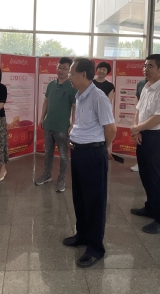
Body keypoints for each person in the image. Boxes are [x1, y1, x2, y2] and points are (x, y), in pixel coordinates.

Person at [62, 57, 116, 268]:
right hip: (79, 152)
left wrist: (101, 148)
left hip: (93, 154)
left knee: (94, 202)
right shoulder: (80, 95)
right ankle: (82, 235)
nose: (69, 76)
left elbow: (110, 129)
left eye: (71, 73)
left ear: (83, 74)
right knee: (80, 198)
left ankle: (95, 248)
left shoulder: (98, 97)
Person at [129, 54, 160, 234]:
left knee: (157, 177)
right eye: (145, 65)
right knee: (146, 174)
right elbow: (138, 110)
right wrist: (137, 130)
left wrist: (137, 128)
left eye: (150, 66)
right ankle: (150, 207)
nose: (145, 69)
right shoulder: (146, 87)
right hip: (144, 135)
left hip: (158, 137)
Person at [35, 57, 77, 192]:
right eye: (59, 67)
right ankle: (47, 175)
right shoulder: (51, 84)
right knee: (48, 152)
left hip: (62, 127)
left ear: (69, 71)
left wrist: (73, 124)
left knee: (64, 155)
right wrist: (42, 117)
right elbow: (46, 102)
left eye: (65, 68)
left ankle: (61, 179)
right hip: (48, 125)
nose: (61, 70)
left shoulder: (72, 87)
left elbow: (75, 107)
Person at [130, 78, 148, 172]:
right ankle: (139, 164)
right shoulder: (141, 84)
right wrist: (136, 128)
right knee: (140, 143)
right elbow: (138, 100)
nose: (146, 71)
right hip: (141, 115)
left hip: (154, 125)